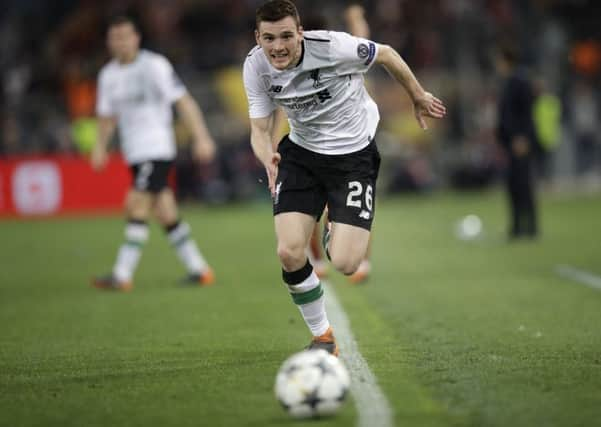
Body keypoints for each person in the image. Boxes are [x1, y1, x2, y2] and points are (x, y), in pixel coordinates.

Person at [243, 0, 445, 355]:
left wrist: (417, 95)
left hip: (353, 157)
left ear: (301, 33)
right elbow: (259, 129)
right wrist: (267, 157)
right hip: (300, 155)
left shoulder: (333, 47)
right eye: (270, 38)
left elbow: (385, 54)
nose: (278, 47)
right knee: (290, 253)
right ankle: (323, 337)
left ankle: (334, 220)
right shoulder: (255, 66)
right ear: (257, 37)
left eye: (287, 36)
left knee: (348, 264)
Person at [91, 16, 217, 291]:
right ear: (109, 42)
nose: (121, 42)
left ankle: (121, 274)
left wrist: (201, 137)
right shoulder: (108, 75)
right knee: (165, 212)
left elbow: (183, 101)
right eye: (115, 37)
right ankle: (200, 270)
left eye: (126, 36)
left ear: (137, 38)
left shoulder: (154, 65)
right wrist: (100, 145)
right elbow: (106, 116)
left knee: (136, 204)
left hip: (156, 147)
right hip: (134, 152)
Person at [496, 46, 539, 239]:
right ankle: (516, 227)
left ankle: (530, 227)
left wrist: (522, 137)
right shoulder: (510, 82)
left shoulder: (519, 82)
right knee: (513, 185)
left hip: (519, 142)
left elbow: (526, 113)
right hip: (511, 143)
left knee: (523, 185)